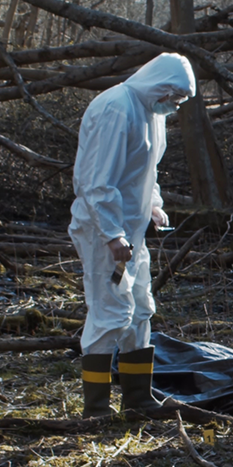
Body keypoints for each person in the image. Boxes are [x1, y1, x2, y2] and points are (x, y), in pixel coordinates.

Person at [68, 53, 196, 418]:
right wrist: (111, 234)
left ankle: (137, 398)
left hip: (131, 231)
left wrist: (153, 206)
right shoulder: (117, 109)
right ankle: (96, 410)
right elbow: (97, 181)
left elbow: (146, 170)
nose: (173, 105)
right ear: (158, 84)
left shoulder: (150, 113)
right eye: (172, 96)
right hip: (102, 231)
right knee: (110, 312)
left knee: (140, 309)